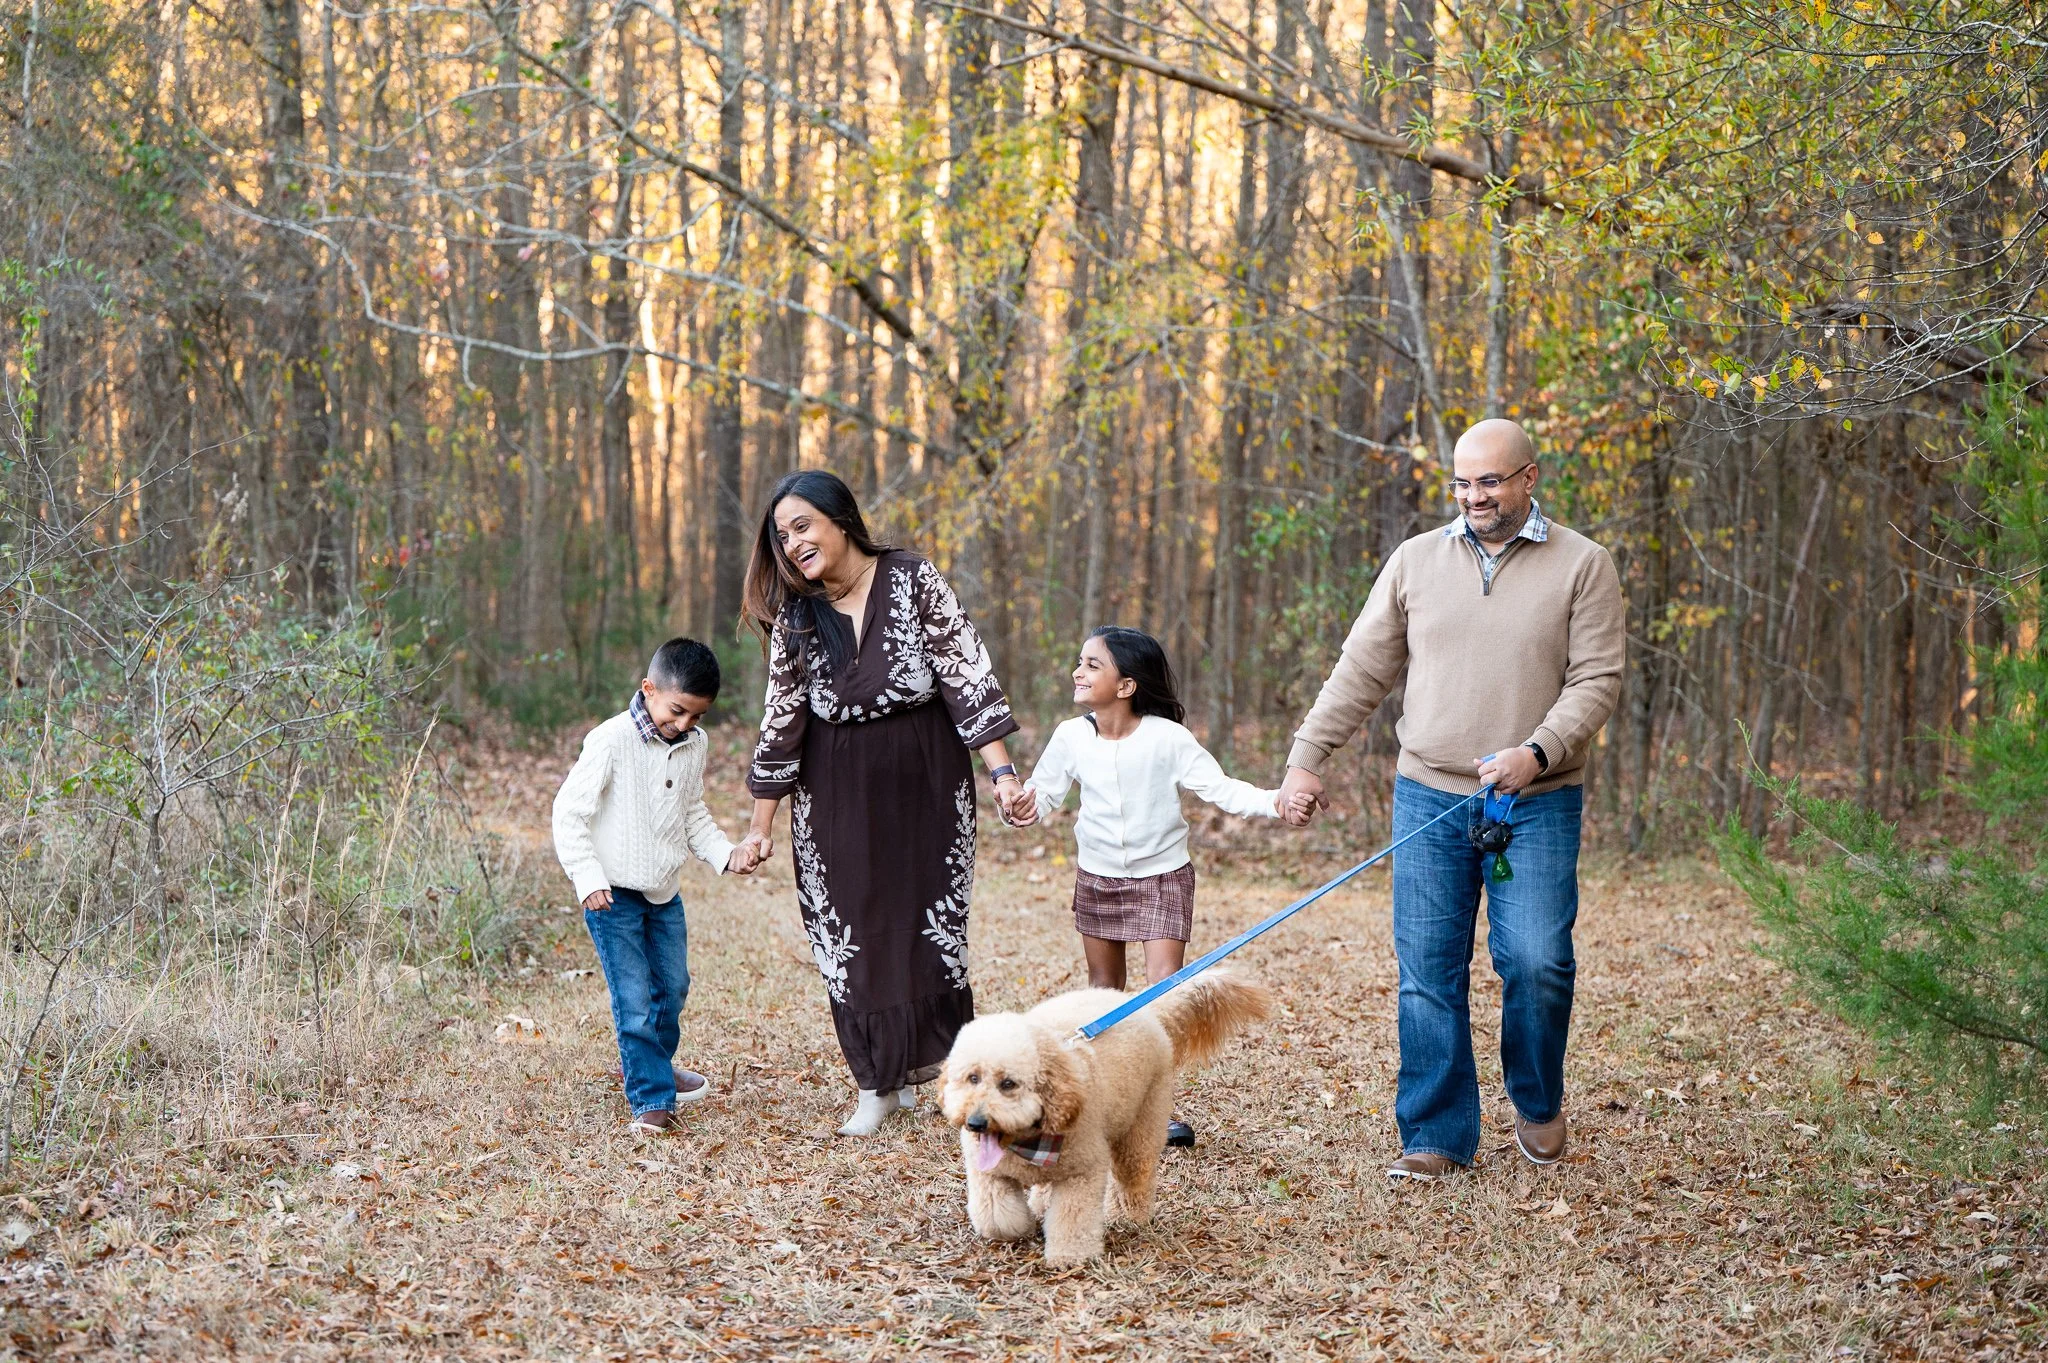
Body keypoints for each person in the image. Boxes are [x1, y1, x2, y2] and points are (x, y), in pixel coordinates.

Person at [1278, 419, 1625, 1180]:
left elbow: (1598, 679)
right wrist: (1307, 757)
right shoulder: (1415, 561)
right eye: (1462, 483)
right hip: (1429, 794)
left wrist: (1538, 752)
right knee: (1427, 970)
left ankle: (1537, 1100)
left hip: (1536, 798)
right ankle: (1436, 1132)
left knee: (1537, 959)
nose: (1474, 496)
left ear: (1529, 478)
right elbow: (1361, 668)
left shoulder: (1583, 564)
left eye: (1490, 481)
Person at [741, 470, 1033, 1136]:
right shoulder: (798, 615)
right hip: (834, 786)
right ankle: (877, 1083)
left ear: (841, 518)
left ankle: (951, 1072)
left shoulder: (911, 577)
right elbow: (781, 717)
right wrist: (760, 825)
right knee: (851, 930)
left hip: (927, 774)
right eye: (782, 536)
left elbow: (965, 671)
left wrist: (1003, 775)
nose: (793, 544)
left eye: (802, 526)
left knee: (932, 926)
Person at [1012, 626, 1313, 1148]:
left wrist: (1277, 802)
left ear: (1126, 685)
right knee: (1103, 989)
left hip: (1162, 878)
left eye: (1091, 665)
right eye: (1079, 662)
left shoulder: (1167, 738)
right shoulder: (1070, 736)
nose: (1078, 672)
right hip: (1098, 877)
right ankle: (1105, 1098)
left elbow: (1221, 789)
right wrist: (1018, 805)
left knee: (1164, 993)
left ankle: (1155, 1110)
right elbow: (1041, 799)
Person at [552, 638, 767, 1134]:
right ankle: (651, 1097)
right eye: (677, 711)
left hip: (664, 893)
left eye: (697, 716)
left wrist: (726, 853)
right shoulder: (611, 740)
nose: (685, 724)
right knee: (633, 999)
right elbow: (569, 813)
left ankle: (653, 1063)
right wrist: (587, 876)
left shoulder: (694, 744)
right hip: (611, 896)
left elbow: (691, 812)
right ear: (649, 689)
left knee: (672, 987)